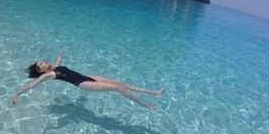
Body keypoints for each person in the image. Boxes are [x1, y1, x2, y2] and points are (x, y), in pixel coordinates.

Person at [11, 50, 163, 110]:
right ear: (40, 70)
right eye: (41, 63)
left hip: (89, 77)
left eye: (43, 60)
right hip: (84, 84)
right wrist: (18, 94)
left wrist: (60, 53)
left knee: (121, 84)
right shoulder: (48, 75)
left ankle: (153, 92)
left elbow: (58, 62)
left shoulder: (54, 69)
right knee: (118, 88)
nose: (44, 62)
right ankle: (145, 104)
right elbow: (32, 84)